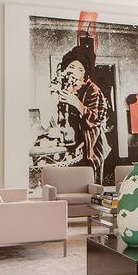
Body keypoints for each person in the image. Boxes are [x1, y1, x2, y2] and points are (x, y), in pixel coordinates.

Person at [51, 45, 111, 180]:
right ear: (65, 69)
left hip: (92, 145)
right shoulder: (64, 87)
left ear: (85, 73)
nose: (75, 72)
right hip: (71, 144)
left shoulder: (93, 89)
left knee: (91, 181)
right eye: (71, 67)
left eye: (80, 69)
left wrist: (76, 102)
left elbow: (97, 118)